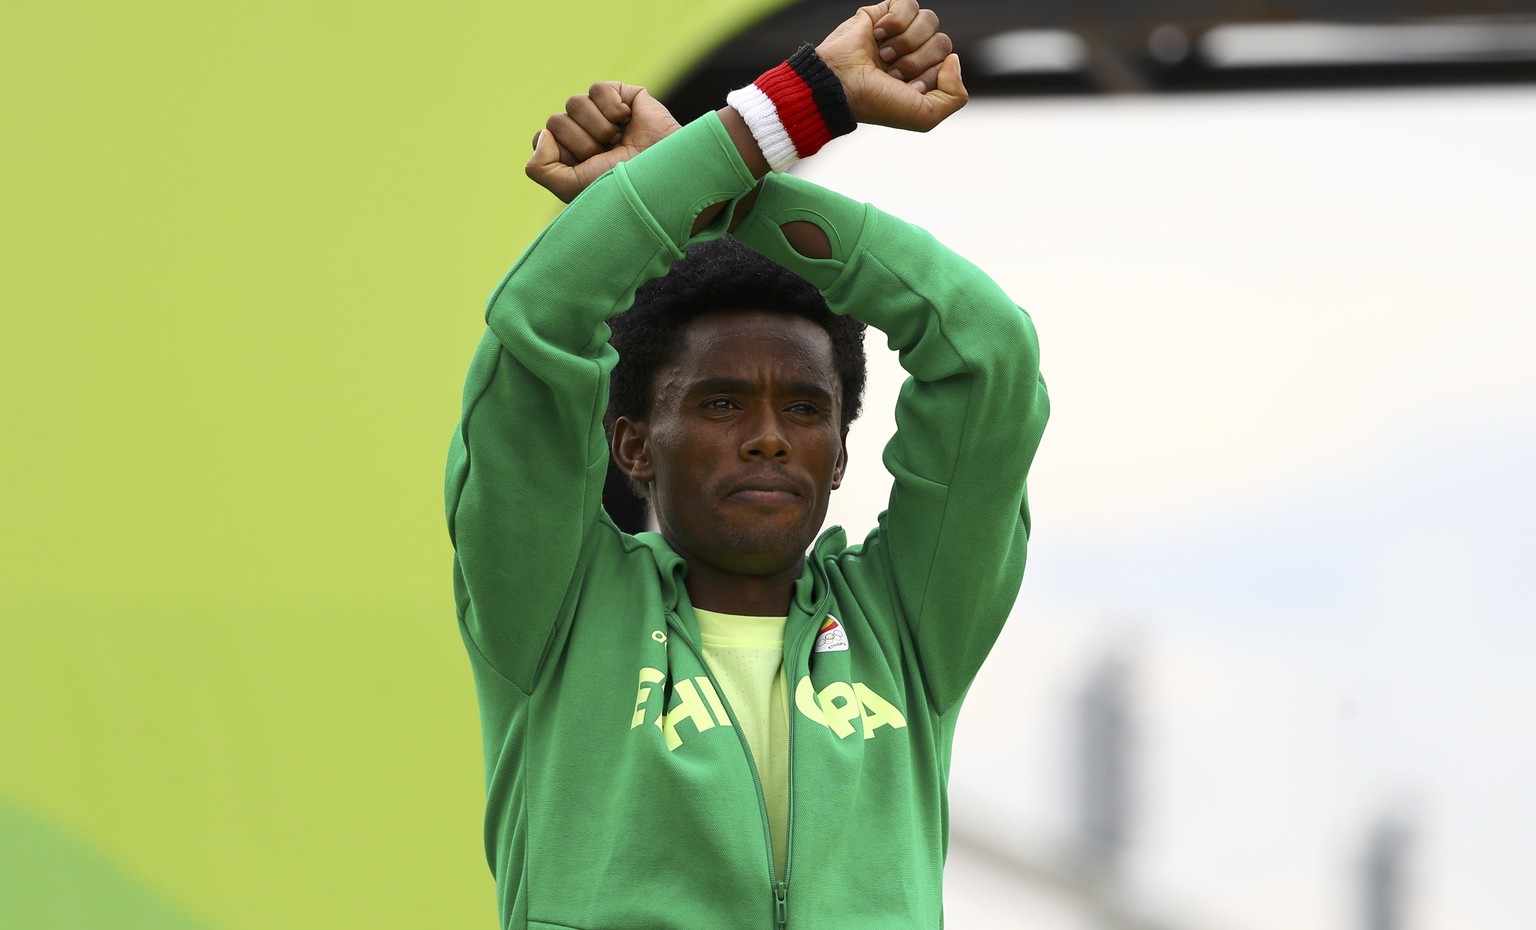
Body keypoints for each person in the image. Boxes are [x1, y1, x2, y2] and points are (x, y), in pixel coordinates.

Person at [444, 2, 1049, 926]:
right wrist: (786, 114)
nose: (769, 436)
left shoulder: (908, 624)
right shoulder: (553, 607)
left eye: (805, 409)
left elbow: (988, 351)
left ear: (842, 451)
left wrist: (724, 195)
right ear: (633, 442)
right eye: (721, 402)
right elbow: (543, 322)